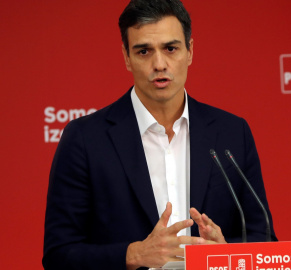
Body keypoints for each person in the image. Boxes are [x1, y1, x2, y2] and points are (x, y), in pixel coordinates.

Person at [43, 0, 277, 269]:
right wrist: (133, 255)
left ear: (190, 51)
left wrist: (227, 254)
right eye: (143, 51)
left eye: (171, 48)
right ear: (126, 57)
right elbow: (58, 255)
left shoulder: (232, 133)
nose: (159, 64)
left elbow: (265, 241)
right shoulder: (85, 139)